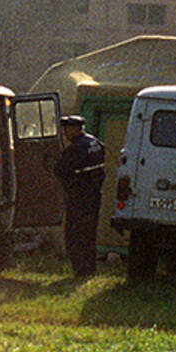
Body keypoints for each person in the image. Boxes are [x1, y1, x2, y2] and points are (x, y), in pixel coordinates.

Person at [53, 114, 105, 277]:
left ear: (75, 129)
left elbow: (60, 170)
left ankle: (80, 269)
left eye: (67, 130)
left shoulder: (75, 148)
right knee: (89, 233)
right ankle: (90, 267)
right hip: (94, 194)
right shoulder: (94, 142)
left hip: (79, 196)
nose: (65, 134)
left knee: (75, 234)